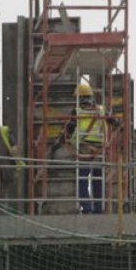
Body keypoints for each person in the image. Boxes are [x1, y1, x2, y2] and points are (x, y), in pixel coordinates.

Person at [51, 81, 118, 214]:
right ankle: (99, 209)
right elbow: (116, 122)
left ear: (78, 98)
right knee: (97, 180)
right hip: (99, 150)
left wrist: (57, 145)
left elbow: (68, 131)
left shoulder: (77, 111)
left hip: (84, 149)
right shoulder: (101, 109)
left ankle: (86, 208)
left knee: (82, 179)